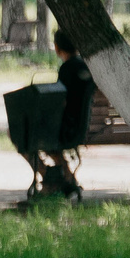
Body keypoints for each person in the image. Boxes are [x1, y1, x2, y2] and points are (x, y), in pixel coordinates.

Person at [40, 26, 94, 197]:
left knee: (23, 134)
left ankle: (49, 177)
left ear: (57, 48)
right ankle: (68, 178)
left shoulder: (66, 69)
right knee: (48, 140)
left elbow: (60, 102)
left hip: (66, 130)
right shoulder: (86, 67)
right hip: (82, 128)